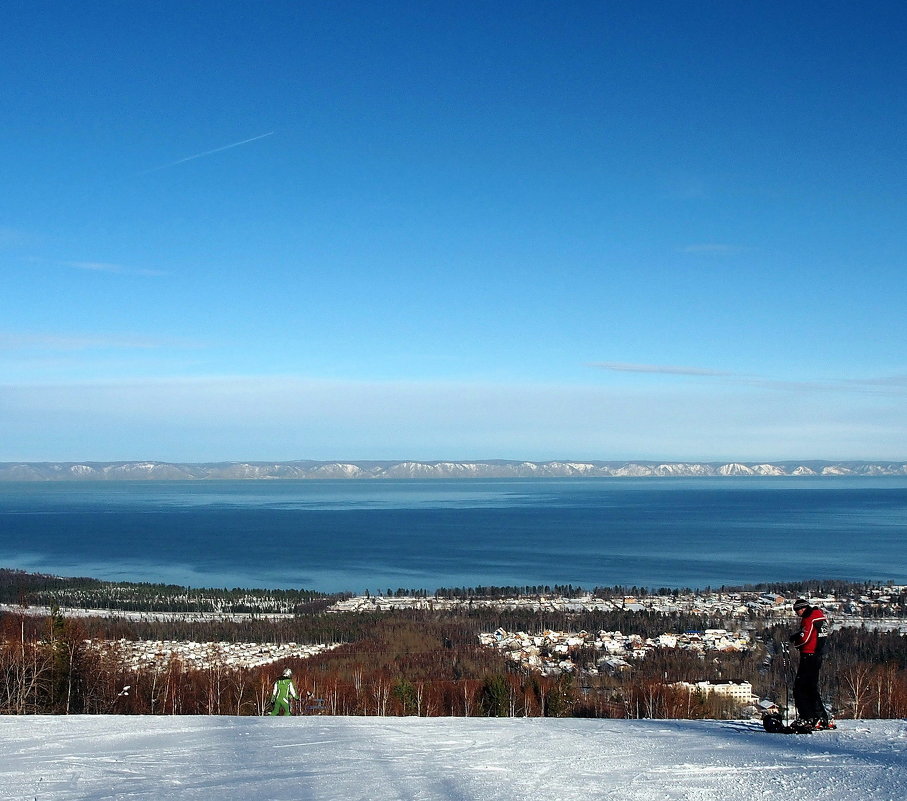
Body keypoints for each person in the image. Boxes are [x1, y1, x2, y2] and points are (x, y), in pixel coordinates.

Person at [789, 597, 832, 730]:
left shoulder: (809, 618)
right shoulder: (819, 616)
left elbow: (805, 638)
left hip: (809, 655)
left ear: (802, 608)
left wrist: (796, 640)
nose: (797, 613)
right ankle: (821, 717)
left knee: (800, 687)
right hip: (817, 655)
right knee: (811, 687)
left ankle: (807, 717)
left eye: (797, 611)